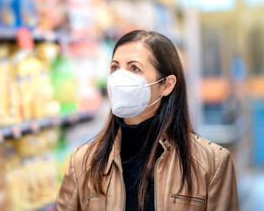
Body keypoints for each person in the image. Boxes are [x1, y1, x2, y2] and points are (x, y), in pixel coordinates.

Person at [56, 30, 238, 211]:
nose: (119, 78)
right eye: (115, 67)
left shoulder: (212, 163)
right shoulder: (83, 161)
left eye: (134, 68)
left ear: (166, 85)